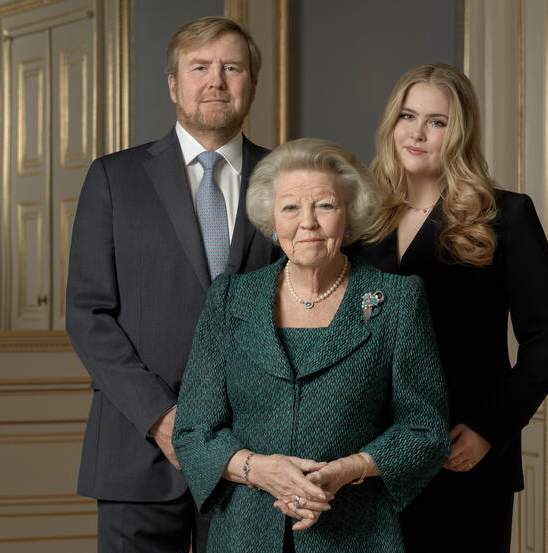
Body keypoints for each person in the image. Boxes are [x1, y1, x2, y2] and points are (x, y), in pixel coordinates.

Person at [171, 138, 451, 553]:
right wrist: (260, 470)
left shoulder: (397, 301)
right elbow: (193, 433)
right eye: (290, 208)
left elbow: (426, 432)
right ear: (271, 219)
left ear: (349, 214)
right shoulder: (231, 300)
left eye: (325, 205)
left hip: (357, 535)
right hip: (244, 536)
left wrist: (348, 469)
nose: (308, 223)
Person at [65, 16, 273, 553]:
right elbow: (88, 313)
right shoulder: (114, 177)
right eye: (199, 67)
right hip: (137, 449)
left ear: (251, 82)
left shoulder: (287, 180)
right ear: (174, 84)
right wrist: (162, 418)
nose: (216, 81)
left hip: (252, 453)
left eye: (232, 68)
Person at [351, 63, 548, 552]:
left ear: (460, 132)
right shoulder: (358, 219)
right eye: (407, 116)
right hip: (371, 455)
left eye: (437, 121)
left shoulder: (506, 215)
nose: (417, 133)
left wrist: (490, 431)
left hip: (463, 451)